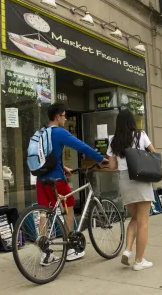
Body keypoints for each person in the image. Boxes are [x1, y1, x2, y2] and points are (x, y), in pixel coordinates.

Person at [36, 103, 107, 263]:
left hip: (41, 179)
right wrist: (100, 158)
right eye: (64, 115)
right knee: (69, 206)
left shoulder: (41, 132)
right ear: (57, 117)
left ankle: (45, 254)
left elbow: (46, 155)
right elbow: (80, 146)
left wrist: (63, 166)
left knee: (44, 213)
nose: (65, 118)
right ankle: (70, 249)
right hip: (57, 180)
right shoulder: (59, 132)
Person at [106, 108, 155, 271]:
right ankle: (139, 261)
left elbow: (112, 166)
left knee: (134, 218)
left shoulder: (113, 140)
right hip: (141, 178)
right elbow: (153, 153)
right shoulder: (140, 135)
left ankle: (127, 250)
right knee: (143, 222)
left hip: (124, 181)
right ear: (132, 121)